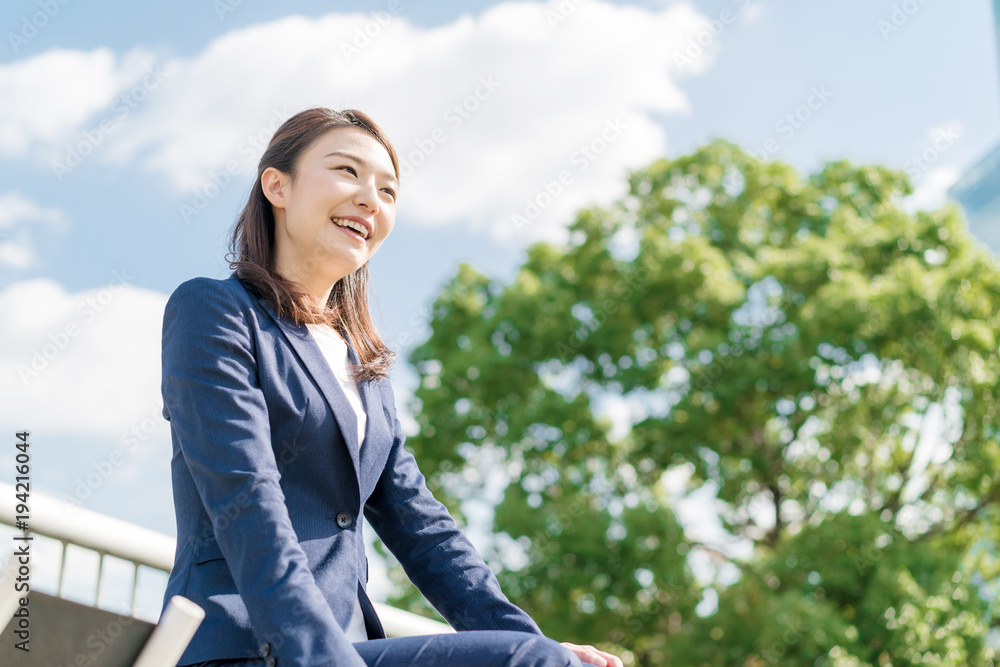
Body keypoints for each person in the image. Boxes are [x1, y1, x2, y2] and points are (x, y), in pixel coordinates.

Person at [159, 107, 625, 667]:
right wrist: (319, 654)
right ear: (276, 186)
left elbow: (423, 531)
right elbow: (246, 498)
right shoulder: (214, 311)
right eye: (347, 172)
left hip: (354, 647)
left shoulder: (361, 364)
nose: (370, 199)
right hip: (248, 648)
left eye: (388, 191)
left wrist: (535, 642)